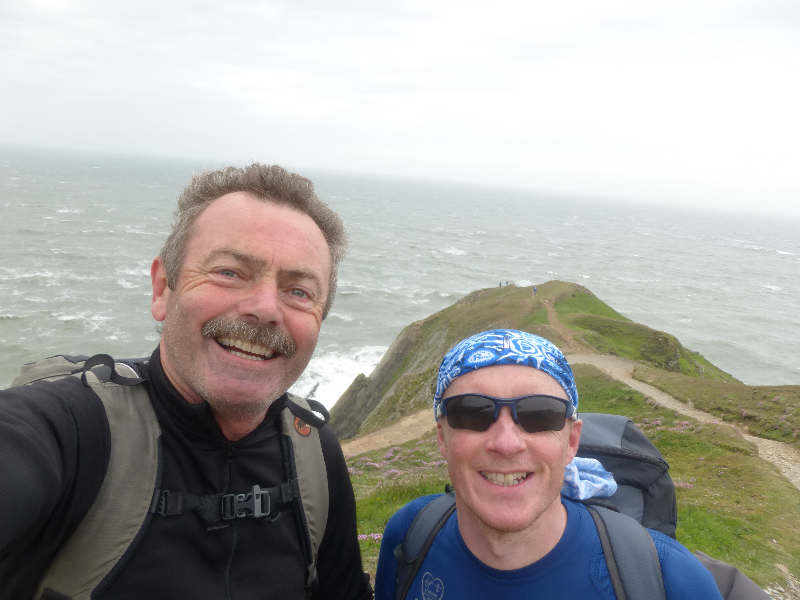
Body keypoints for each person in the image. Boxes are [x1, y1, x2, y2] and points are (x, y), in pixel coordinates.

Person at [0, 164, 373, 599]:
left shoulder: (315, 454)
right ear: (162, 289)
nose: (265, 308)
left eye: (299, 291)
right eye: (229, 272)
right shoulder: (71, 431)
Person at [374, 329, 722, 599]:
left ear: (571, 441)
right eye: (472, 412)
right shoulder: (410, 535)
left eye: (540, 414)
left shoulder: (674, 581)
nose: (506, 443)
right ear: (442, 437)